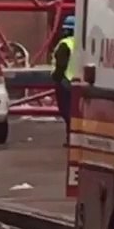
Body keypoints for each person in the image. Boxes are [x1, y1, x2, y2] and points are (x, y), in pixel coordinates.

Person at [51, 16, 76, 145]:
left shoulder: (65, 44)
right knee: (73, 111)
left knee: (66, 111)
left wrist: (56, 77)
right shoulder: (82, 42)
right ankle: (72, 138)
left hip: (65, 81)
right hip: (78, 82)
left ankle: (70, 138)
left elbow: (61, 64)